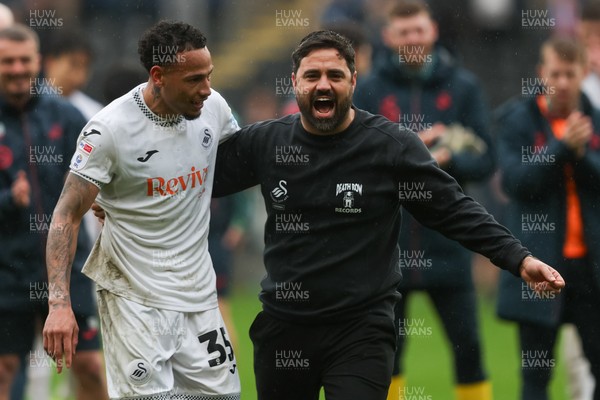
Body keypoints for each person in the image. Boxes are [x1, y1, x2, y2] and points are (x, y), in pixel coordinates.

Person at [211, 29, 564, 400]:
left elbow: (453, 209)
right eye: (312, 76)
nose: (323, 86)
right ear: (295, 82)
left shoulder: (389, 147)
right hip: (285, 329)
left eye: (335, 75)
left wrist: (519, 258)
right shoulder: (266, 142)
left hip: (360, 330)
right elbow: (194, 178)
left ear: (354, 81)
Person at [42, 20, 240, 400]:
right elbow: (65, 214)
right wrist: (59, 304)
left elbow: (236, 166)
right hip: (134, 299)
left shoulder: (213, 107)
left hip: (198, 295)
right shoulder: (110, 130)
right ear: (158, 75)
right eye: (194, 79)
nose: (206, 89)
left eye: (209, 76)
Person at [353, 1, 495, 398]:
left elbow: (488, 158)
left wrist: (449, 156)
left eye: (418, 30)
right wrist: (409, 149)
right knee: (387, 355)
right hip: (388, 247)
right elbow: (355, 158)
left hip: (448, 244)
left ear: (432, 31)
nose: (412, 38)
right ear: (388, 37)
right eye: (403, 32)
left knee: (470, 351)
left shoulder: (463, 86)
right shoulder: (369, 88)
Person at [0, 24, 107, 400]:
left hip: (67, 269)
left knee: (91, 367)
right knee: (5, 371)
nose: (16, 68)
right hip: (6, 271)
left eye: (23, 60)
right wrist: (8, 199)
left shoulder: (67, 116)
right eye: (6, 61)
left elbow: (97, 178)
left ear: (38, 62)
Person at [494, 36, 600, 400]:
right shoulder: (517, 120)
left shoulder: (596, 120)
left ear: (584, 73)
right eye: (556, 73)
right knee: (536, 379)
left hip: (591, 268)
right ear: (542, 73)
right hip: (538, 267)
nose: (564, 82)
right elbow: (517, 182)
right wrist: (561, 149)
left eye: (571, 73)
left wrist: (581, 155)